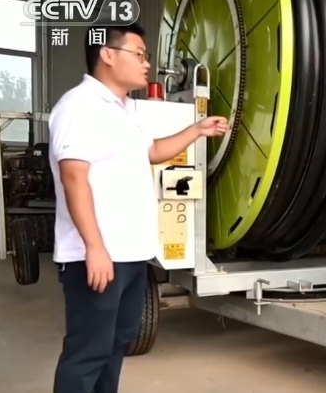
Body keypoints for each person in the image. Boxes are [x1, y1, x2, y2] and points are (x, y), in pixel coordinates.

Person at [48, 23, 228, 393]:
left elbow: (153, 151)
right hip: (98, 256)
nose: (147, 63)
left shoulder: (125, 109)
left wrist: (197, 129)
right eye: (139, 54)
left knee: (117, 344)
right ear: (107, 54)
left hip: (132, 254)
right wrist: (95, 247)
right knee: (88, 353)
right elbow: (73, 178)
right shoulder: (80, 106)